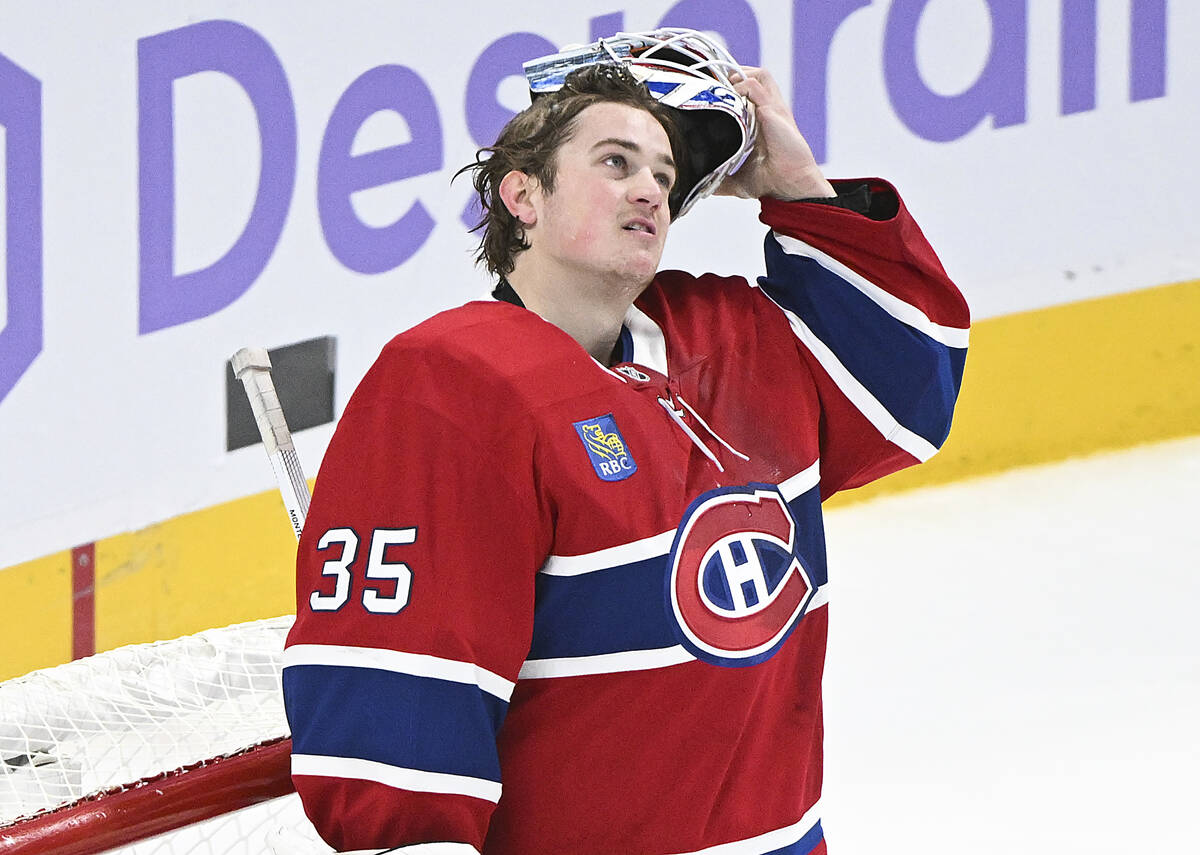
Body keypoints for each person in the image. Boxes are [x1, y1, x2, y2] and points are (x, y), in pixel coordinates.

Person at [282, 29, 969, 855]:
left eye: (665, 175)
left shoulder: (734, 336)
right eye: (615, 162)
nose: (649, 188)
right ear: (522, 196)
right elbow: (400, 709)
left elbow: (909, 401)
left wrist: (797, 188)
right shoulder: (449, 385)